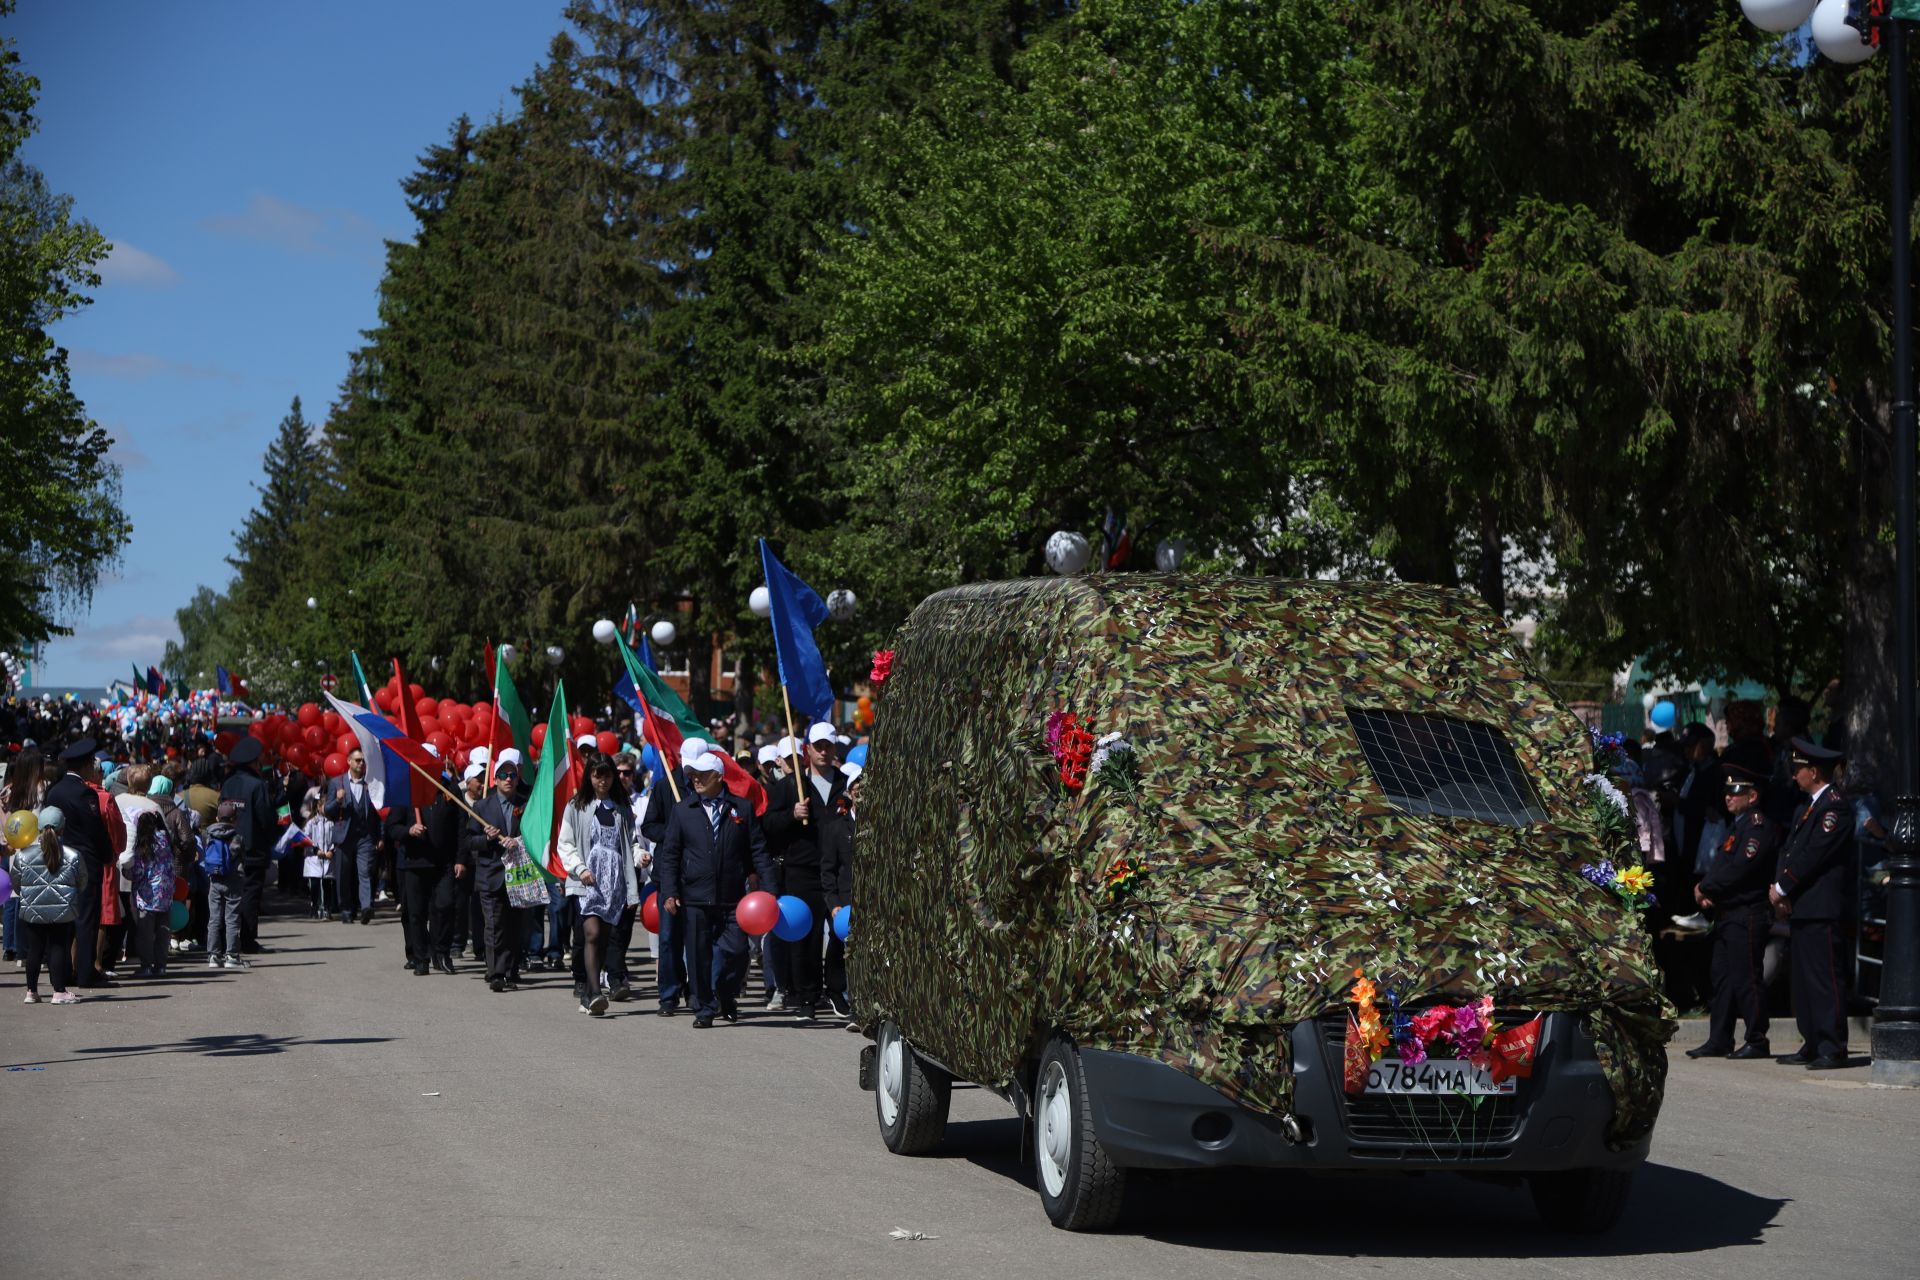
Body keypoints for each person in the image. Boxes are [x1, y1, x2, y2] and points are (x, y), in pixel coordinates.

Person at [655, 750, 774, 1028]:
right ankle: (705, 1008)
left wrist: (771, 891)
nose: (694, 779)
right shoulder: (683, 810)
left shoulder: (741, 809)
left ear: (718, 777)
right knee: (698, 957)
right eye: (692, 775)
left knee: (737, 953)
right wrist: (670, 891)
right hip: (695, 897)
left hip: (733, 898)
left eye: (701, 775)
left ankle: (726, 995)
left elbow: (758, 852)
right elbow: (671, 854)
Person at [1770, 738, 1856, 1070]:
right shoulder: (1808, 807)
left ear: (1814, 771)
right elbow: (1789, 850)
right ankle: (1812, 1041)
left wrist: (1782, 886)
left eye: (1797, 770)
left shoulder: (1834, 806)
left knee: (1824, 978)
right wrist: (1781, 892)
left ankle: (1832, 1046)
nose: (1793, 776)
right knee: (1804, 981)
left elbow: (1814, 856)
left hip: (1822, 906)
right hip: (1803, 906)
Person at [1687, 763, 1782, 1060]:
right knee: (1723, 979)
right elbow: (1724, 865)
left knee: (1747, 978)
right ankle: (1719, 1038)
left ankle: (1757, 1038)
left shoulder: (1758, 827)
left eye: (1736, 792)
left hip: (1748, 913)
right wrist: (1707, 889)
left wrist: (1707, 888)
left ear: (1752, 796)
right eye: (1727, 792)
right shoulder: (1737, 827)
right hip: (1728, 913)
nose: (1729, 797)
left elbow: (1741, 868)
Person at [761, 721, 846, 1019]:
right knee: (806, 937)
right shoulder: (790, 785)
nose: (823, 751)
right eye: (818, 746)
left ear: (835, 748)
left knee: (839, 934)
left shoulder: (847, 783)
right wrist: (792, 815)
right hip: (803, 871)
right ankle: (806, 997)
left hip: (837, 871)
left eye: (828, 746)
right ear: (807, 749)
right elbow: (768, 825)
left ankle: (837, 991)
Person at [558, 756, 639, 1015]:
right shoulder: (576, 806)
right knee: (591, 932)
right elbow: (565, 843)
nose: (602, 781)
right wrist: (579, 868)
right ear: (589, 777)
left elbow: (631, 843)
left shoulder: (622, 808)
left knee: (604, 936)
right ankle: (594, 992)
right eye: (596, 775)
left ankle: (589, 996)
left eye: (606, 775)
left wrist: (640, 856)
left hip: (614, 880)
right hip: (587, 878)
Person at [45, 738, 113, 987]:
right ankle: (85, 973)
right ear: (85, 765)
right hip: (84, 862)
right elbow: (95, 829)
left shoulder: (54, 791)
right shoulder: (85, 793)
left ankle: (61, 973)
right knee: (86, 919)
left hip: (58, 860)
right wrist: (107, 855)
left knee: (63, 920)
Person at [386, 768, 464, 977]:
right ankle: (421, 958)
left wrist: (460, 859)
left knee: (445, 905)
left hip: (444, 864)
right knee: (417, 913)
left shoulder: (450, 790)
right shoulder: (407, 793)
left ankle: (442, 953)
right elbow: (392, 826)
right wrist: (408, 831)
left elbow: (460, 826)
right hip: (416, 863)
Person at [15, 806, 87, 1003]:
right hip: (63, 910)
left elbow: (16, 881)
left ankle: (31, 991)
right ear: (63, 828)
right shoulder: (73, 855)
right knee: (57, 948)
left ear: (37, 828)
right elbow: (82, 881)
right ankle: (59, 991)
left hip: (32, 909)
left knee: (34, 950)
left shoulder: (23, 855)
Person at [466, 759, 527, 993]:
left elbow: (535, 837)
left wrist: (519, 841)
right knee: (494, 925)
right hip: (491, 874)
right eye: (503, 775)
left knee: (514, 926)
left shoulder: (525, 804)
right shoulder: (482, 807)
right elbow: (470, 840)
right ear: (495, 779)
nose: (508, 779)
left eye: (512, 774)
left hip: (518, 875)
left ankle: (511, 969)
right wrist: (488, 838)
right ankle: (496, 972)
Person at [219, 736, 276, 954]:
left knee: (228, 895)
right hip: (252, 849)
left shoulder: (228, 784)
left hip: (228, 848)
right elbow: (266, 818)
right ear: (254, 762)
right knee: (251, 895)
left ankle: (228, 940)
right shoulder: (258, 786)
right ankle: (248, 940)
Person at [325, 746, 384, 924]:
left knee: (364, 872)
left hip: (365, 837)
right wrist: (338, 801)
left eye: (362, 760)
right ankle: (346, 909)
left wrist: (380, 836)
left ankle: (366, 907)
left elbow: (379, 812)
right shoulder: (337, 783)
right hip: (344, 836)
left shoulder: (370, 784)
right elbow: (328, 811)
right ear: (349, 762)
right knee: (343, 874)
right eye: (357, 760)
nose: (361, 763)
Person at [119, 807, 176, 979]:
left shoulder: (143, 846)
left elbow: (137, 872)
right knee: (162, 933)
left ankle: (146, 966)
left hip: (147, 897)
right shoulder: (165, 841)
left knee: (145, 935)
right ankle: (161, 966)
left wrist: (124, 872)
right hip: (165, 896)